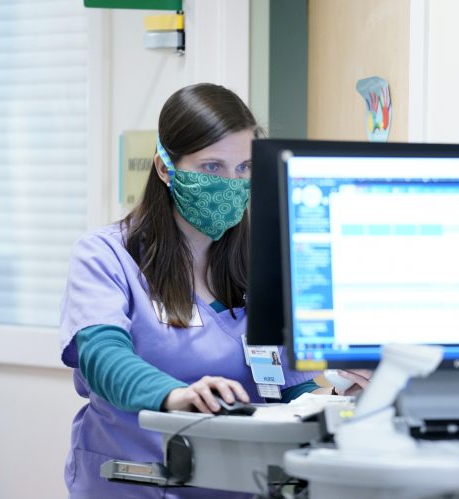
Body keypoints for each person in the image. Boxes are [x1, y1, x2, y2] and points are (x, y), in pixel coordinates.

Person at [59, 83, 369, 499]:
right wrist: (175, 395)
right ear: (165, 168)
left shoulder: (264, 262)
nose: (232, 182)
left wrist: (338, 397)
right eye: (212, 167)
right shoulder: (106, 255)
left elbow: (284, 388)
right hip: (138, 484)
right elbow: (103, 358)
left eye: (244, 167)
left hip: (243, 486)